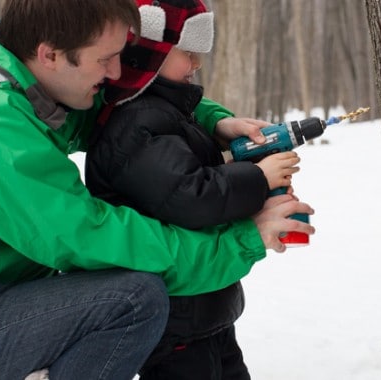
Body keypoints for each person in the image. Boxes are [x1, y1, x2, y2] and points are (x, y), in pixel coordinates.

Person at [0, 0, 314, 379]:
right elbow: (89, 235)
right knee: (131, 300)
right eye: (105, 59)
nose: (117, 72)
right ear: (51, 54)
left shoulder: (24, 85)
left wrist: (214, 119)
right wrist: (241, 241)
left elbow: (132, 102)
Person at [85, 1, 299, 379]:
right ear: (150, 50)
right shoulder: (134, 123)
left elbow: (196, 175)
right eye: (187, 52)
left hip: (203, 308)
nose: (196, 64)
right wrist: (258, 178)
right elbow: (190, 195)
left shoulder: (167, 112)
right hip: (176, 316)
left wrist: (239, 162)